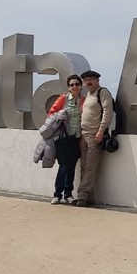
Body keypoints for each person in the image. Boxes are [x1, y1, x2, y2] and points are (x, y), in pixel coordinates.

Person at [75, 70, 113, 207]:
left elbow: (108, 112)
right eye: (86, 80)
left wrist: (101, 131)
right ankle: (90, 197)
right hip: (83, 135)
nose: (88, 82)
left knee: (90, 167)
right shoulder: (88, 95)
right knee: (84, 167)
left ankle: (82, 196)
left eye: (91, 79)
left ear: (97, 80)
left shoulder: (102, 93)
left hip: (94, 135)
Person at [50, 75, 84, 205]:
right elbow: (51, 113)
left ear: (80, 86)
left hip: (76, 138)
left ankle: (68, 194)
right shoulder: (63, 99)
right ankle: (57, 194)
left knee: (71, 167)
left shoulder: (84, 100)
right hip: (63, 138)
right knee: (63, 166)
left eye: (77, 84)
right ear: (68, 87)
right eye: (72, 85)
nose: (74, 86)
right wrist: (60, 116)